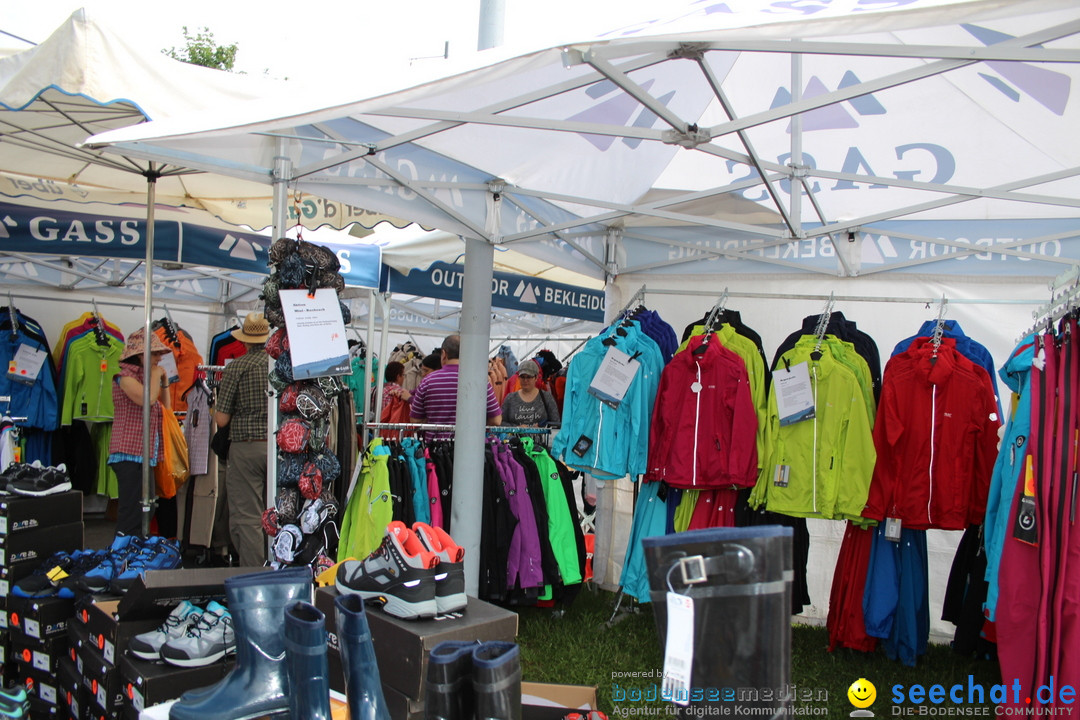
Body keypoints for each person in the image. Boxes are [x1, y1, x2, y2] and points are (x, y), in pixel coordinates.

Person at [213, 312, 270, 567]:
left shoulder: (237, 367)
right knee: (280, 512)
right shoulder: (281, 367)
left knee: (248, 516)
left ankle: (254, 576)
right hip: (280, 448)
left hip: (246, 446)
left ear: (245, 341)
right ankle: (279, 568)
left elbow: (222, 420)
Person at [108, 328, 172, 537]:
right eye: (154, 354)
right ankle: (122, 552)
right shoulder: (123, 377)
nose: (159, 358)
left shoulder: (147, 379)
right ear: (139, 355)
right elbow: (147, 400)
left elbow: (166, 407)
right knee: (131, 509)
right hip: (127, 451)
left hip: (145, 453)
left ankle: (134, 548)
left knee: (149, 506)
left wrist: (163, 382)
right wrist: (155, 375)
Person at [410, 334, 502, 433]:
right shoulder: (480, 381)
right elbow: (496, 420)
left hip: (435, 445)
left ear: (444, 354)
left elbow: (415, 420)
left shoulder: (427, 381)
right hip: (471, 445)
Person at [502, 359, 560, 427]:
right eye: (522, 377)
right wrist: (516, 428)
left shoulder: (546, 397)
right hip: (515, 437)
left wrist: (541, 427)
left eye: (529, 377)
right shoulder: (510, 398)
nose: (525, 380)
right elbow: (501, 422)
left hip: (541, 437)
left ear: (536, 378)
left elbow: (556, 422)